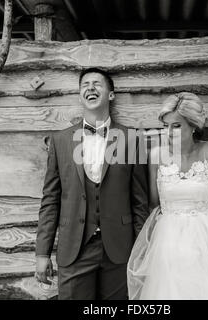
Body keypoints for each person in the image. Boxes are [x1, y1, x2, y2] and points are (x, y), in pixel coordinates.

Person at [36, 68, 149, 300]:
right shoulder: (60, 141)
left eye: (97, 83)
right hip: (74, 249)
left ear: (111, 95)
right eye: (85, 84)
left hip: (120, 249)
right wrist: (42, 253)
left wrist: (142, 251)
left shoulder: (132, 139)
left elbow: (140, 202)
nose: (90, 88)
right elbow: (50, 201)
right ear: (80, 96)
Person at [127, 92, 208, 300]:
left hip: (207, 241)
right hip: (168, 243)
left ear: (193, 126)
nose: (169, 132)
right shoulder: (157, 155)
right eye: (165, 125)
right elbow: (153, 204)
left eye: (176, 126)